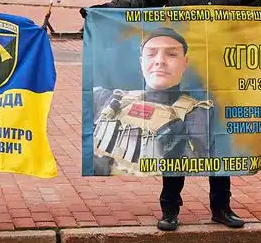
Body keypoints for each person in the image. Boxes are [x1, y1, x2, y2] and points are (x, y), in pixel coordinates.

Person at [92, 0, 261, 231]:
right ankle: (170, 209)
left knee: (218, 141)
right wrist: (105, 10)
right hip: (182, 76)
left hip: (223, 76)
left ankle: (221, 207)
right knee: (174, 139)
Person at [92, 29, 215, 176]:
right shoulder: (109, 99)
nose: (160, 61)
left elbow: (203, 169)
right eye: (151, 54)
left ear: (185, 62)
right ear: (141, 62)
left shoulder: (197, 114)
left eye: (171, 54)